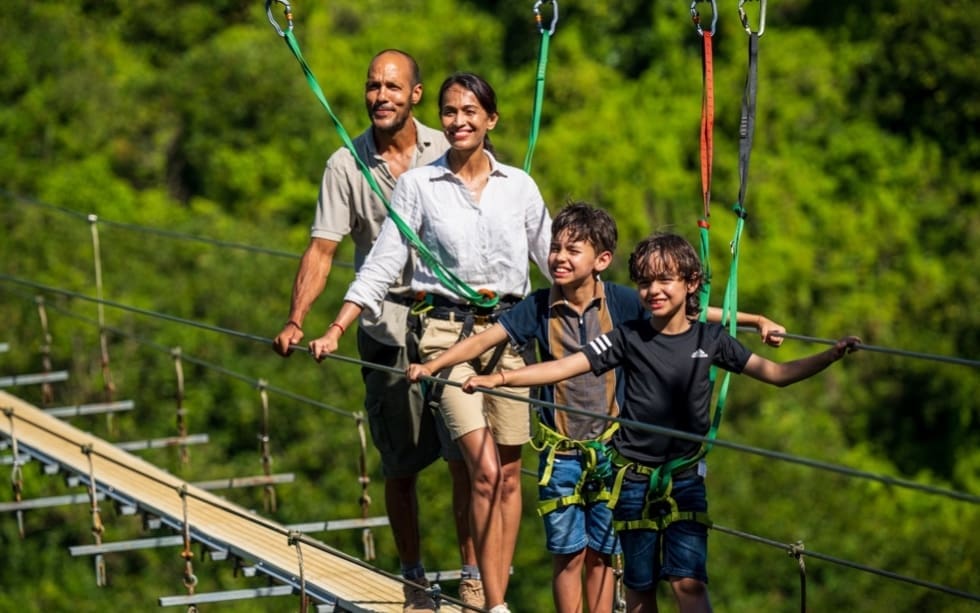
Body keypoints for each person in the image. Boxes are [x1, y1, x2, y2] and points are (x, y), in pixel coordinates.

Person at [407, 204, 786, 613]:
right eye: (555, 249)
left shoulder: (622, 303)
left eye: (573, 251)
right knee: (567, 554)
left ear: (601, 260)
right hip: (562, 449)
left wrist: (754, 319)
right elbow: (485, 340)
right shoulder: (538, 306)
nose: (559, 258)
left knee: (603, 554)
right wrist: (434, 365)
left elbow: (689, 313)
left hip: (611, 452)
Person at [462, 231, 861, 613]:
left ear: (691, 285)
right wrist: (500, 379)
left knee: (689, 583)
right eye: (645, 282)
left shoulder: (711, 339)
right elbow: (565, 367)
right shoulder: (626, 337)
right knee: (639, 588)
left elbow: (775, 374)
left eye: (665, 280)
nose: (654, 291)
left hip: (684, 480)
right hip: (632, 481)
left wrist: (830, 355)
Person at [308, 72, 552, 613]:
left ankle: (494, 595)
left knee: (510, 478)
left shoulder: (520, 186)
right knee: (483, 469)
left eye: (470, 112)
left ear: (491, 120)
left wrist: (613, 322)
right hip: (444, 339)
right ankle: (489, 599)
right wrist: (336, 326)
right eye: (449, 112)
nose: (459, 121)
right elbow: (384, 261)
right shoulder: (420, 186)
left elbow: (555, 261)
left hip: (512, 337)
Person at [271, 50, 481, 612]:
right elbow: (323, 248)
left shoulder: (453, 142)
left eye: (392, 87)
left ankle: (472, 575)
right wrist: (299, 318)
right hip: (386, 330)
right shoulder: (347, 164)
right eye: (371, 87)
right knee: (401, 462)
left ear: (415, 96)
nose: (380, 96)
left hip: (453, 327)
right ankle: (414, 578)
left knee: (466, 454)